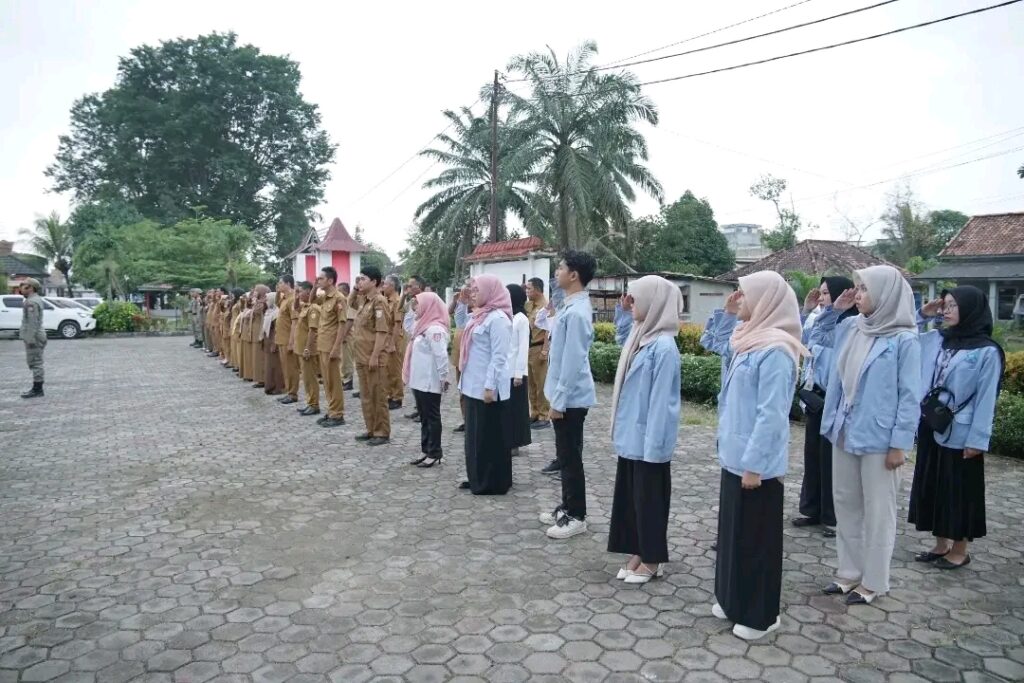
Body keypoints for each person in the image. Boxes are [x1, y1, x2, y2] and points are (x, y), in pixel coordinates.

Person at [704, 271, 806, 640]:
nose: (738, 299)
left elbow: (772, 414)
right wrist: (729, 313)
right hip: (733, 454)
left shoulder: (777, 350)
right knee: (734, 536)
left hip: (754, 466)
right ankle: (733, 599)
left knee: (757, 540)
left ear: (765, 301)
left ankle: (760, 615)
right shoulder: (747, 340)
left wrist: (755, 464)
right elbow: (714, 342)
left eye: (744, 295)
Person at [814, 265, 921, 606]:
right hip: (844, 430)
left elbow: (910, 396)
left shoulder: (904, 339)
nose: (857, 293)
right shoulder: (852, 327)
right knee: (846, 503)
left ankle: (874, 581)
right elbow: (816, 341)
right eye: (856, 287)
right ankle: (848, 572)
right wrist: (834, 311)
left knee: (879, 511)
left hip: (880, 439)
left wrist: (900, 443)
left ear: (886, 294)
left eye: (864, 289)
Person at [909, 286, 1003, 570]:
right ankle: (940, 544)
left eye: (952, 305)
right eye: (945, 305)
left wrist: (978, 439)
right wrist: (921, 315)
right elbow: (904, 338)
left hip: (961, 432)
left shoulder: (987, 351)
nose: (946, 310)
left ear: (971, 309)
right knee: (934, 484)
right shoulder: (940, 339)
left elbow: (987, 397)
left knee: (959, 490)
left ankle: (960, 550)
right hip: (932, 423)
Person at [606, 277, 683, 585]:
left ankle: (652, 559)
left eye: (635, 299)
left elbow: (664, 403)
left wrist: (654, 448)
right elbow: (620, 332)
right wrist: (623, 312)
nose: (630, 303)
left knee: (649, 500)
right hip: (633, 436)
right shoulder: (642, 335)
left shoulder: (664, 347)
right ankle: (639, 550)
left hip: (649, 439)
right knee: (634, 499)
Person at [793, 277, 857, 538]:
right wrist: (809, 311)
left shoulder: (851, 325)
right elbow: (803, 341)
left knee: (833, 461)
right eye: (820, 293)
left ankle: (834, 516)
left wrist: (835, 312)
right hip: (815, 399)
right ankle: (813, 509)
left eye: (826, 293)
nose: (822, 298)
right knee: (814, 456)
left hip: (835, 400)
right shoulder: (822, 320)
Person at [540, 251, 597, 539]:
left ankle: (577, 515)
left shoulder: (576, 313)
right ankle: (567, 506)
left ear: (574, 275)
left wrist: (558, 401)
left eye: (561, 268)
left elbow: (573, 361)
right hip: (565, 396)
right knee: (565, 455)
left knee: (570, 456)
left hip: (571, 399)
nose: (557, 272)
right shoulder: (569, 307)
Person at [458, 274, 513, 495]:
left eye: (476, 289)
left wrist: (490, 386)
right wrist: (463, 303)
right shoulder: (478, 316)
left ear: (490, 291)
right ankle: (476, 476)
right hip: (472, 386)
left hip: (487, 389)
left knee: (489, 437)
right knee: (475, 437)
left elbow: (499, 356)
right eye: (471, 289)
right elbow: (460, 324)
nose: (472, 292)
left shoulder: (498, 319)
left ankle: (492, 482)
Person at [404, 292, 450, 468]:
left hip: (430, 380)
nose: (416, 307)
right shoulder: (421, 326)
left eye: (418, 304)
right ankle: (426, 450)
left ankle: (435, 452)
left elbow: (441, 355)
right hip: (419, 380)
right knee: (424, 417)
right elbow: (407, 325)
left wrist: (444, 376)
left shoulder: (435, 329)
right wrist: (410, 309)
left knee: (432, 417)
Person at [353, 266, 392, 445]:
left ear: (374, 282)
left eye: (363, 279)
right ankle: (371, 428)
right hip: (361, 356)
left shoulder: (379, 302)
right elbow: (349, 304)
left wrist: (375, 355)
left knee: (377, 395)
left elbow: (381, 331)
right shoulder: (364, 301)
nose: (359, 282)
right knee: (366, 395)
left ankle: (381, 432)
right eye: (358, 279)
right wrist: (355, 290)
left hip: (373, 357)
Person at [314, 267, 346, 428]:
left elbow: (342, 325)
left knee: (334, 381)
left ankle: (337, 414)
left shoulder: (339, 298)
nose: (318, 280)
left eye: (321, 278)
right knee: (326, 381)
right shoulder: (325, 297)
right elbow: (312, 299)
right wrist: (315, 285)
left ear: (330, 280)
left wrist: (336, 347)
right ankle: (331, 410)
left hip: (331, 346)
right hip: (323, 344)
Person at [506, 284, 532, 455]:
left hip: (516, 373)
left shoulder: (521, 318)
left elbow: (523, 347)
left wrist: (518, 374)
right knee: (508, 409)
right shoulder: (510, 316)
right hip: (507, 371)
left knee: (516, 409)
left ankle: (515, 443)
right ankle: (508, 440)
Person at [524, 277, 551, 430]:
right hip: (529, 347)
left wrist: (545, 350)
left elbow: (549, 329)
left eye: (529, 289)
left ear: (538, 290)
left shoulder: (546, 307)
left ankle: (544, 415)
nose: (527, 291)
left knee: (541, 383)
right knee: (531, 384)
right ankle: (534, 412)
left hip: (540, 347)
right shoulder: (531, 306)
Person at [403, 275, 426, 421]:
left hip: (423, 344)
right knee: (414, 378)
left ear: (419, 286)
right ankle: (418, 408)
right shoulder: (412, 301)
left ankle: (423, 410)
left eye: (411, 286)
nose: (408, 288)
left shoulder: (426, 301)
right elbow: (406, 320)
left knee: (422, 379)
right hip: (412, 341)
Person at [19, 278, 47, 399]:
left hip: (34, 336)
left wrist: (30, 339)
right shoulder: (32, 300)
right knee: (35, 362)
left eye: (23, 285)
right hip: (36, 335)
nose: (21, 287)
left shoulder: (31, 302)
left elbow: (32, 323)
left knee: (36, 363)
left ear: (30, 287)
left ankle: (37, 389)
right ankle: (37, 388)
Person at [449, 282, 471, 433]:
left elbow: (463, 321)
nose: (466, 292)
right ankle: (466, 419)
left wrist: (464, 303)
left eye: (468, 289)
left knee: (471, 390)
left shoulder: (478, 308)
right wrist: (457, 301)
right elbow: (452, 314)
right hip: (459, 356)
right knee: (462, 389)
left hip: (470, 358)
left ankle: (472, 420)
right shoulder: (461, 304)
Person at [276, 275, 300, 405]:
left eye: (280, 283)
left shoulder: (292, 300)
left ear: (288, 284)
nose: (278, 285)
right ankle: (289, 391)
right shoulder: (284, 299)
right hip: (281, 338)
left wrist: (291, 341)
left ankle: (293, 393)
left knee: (291, 367)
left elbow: (294, 322)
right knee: (285, 367)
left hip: (287, 339)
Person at [383, 275, 406, 411]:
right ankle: (390, 394)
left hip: (395, 338)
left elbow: (398, 324)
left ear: (392, 286)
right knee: (387, 369)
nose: (383, 287)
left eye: (385, 284)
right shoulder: (387, 301)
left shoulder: (398, 302)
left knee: (395, 369)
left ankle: (397, 397)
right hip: (387, 337)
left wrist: (392, 343)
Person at [261, 293, 284, 395]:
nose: (266, 301)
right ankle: (270, 386)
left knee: (276, 366)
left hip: (273, 340)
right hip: (267, 340)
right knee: (269, 366)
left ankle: (278, 387)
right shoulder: (268, 311)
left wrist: (274, 343)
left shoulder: (277, 312)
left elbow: (277, 329)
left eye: (267, 299)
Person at [338, 282, 355, 390]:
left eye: (339, 290)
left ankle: (348, 381)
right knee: (343, 359)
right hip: (343, 335)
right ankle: (344, 379)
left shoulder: (349, 302)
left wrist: (343, 336)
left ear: (345, 291)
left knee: (347, 359)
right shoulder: (343, 302)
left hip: (347, 335)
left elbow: (350, 320)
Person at [251, 286, 268, 388]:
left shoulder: (263, 302)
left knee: (260, 356)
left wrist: (255, 301)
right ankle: (259, 378)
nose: (254, 292)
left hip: (261, 330)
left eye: (256, 290)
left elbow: (257, 311)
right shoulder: (259, 301)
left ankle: (262, 379)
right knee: (257, 356)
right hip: (256, 330)